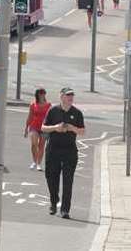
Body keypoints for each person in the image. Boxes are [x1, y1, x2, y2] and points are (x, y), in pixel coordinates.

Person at [41, 87, 85, 219]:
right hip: (53, 149)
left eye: (72, 95)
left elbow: (82, 131)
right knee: (51, 177)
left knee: (68, 180)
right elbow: (43, 127)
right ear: (61, 96)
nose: (70, 97)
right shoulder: (53, 110)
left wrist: (72, 128)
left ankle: (65, 209)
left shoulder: (77, 113)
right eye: (68, 95)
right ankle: (54, 202)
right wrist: (56, 128)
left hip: (69, 150)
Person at [24, 87, 51, 171]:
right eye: (41, 93)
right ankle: (34, 161)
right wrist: (26, 128)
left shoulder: (49, 105)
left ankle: (39, 163)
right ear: (37, 95)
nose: (42, 95)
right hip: (34, 126)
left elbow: (51, 117)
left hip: (44, 127)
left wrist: (51, 128)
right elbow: (30, 116)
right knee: (34, 144)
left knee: (41, 145)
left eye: (43, 93)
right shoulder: (33, 104)